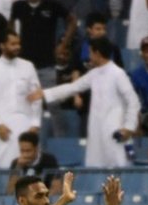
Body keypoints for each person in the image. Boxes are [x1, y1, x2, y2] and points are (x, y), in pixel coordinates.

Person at [30, 37, 140, 168]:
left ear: (97, 53)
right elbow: (73, 87)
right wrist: (45, 93)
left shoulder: (118, 74)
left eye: (90, 52)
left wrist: (129, 127)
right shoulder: (94, 74)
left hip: (115, 130)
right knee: (96, 168)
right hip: (96, 130)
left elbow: (133, 101)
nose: (89, 56)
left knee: (118, 167)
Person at [0, 31, 43, 169]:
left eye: (18, 43)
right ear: (2, 46)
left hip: (25, 125)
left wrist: (35, 123)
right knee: (0, 167)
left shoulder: (28, 66)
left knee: (26, 168)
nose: (17, 47)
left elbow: (36, 97)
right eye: (13, 44)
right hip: (0, 127)